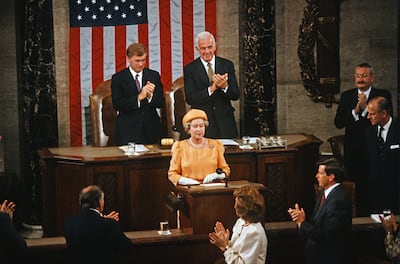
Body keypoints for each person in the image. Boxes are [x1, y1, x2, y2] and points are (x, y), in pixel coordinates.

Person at [334, 62, 392, 216]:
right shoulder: (347, 96)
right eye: (357, 76)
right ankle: (360, 223)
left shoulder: (383, 95)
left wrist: (366, 108)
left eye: (364, 76)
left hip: (376, 149)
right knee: (358, 191)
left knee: (377, 187)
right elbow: (338, 123)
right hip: (354, 152)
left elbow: (386, 119)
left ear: (372, 78)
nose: (360, 79)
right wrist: (355, 110)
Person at [288, 158, 352, 264]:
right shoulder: (325, 193)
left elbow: (326, 235)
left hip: (328, 259)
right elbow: (318, 226)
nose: (316, 176)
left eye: (320, 173)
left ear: (331, 177)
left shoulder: (338, 201)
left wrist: (302, 223)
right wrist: (301, 220)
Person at [184, 31, 240, 139]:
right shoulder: (190, 69)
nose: (207, 51)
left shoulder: (227, 65)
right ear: (197, 49)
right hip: (203, 125)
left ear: (215, 46)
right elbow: (190, 98)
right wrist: (212, 88)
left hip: (226, 123)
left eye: (209, 47)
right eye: (203, 48)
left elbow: (236, 94)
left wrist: (224, 86)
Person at [111, 42, 165, 146]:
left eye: (143, 60)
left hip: (152, 130)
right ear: (128, 58)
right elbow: (117, 104)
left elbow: (160, 102)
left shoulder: (153, 75)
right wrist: (139, 97)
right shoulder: (118, 78)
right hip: (128, 131)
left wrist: (150, 96)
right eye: (137, 61)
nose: (141, 64)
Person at [64, 185, 133, 264]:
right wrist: (107, 222)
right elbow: (127, 247)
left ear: (80, 203)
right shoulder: (109, 224)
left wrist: (104, 220)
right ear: (101, 202)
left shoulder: (69, 223)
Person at [168, 109, 230, 185]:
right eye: (195, 126)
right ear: (188, 129)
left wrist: (217, 175)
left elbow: (226, 169)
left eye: (201, 126)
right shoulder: (180, 147)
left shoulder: (215, 145)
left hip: (212, 189)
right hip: (189, 190)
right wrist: (186, 181)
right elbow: (172, 174)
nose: (199, 129)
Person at [209, 184, 268, 264]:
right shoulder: (241, 222)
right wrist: (225, 241)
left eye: (236, 203)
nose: (234, 206)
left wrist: (225, 247)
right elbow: (236, 249)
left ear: (244, 207)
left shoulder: (254, 232)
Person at [365, 96, 399, 214]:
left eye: (372, 114)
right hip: (376, 194)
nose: (368, 117)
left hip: (396, 192)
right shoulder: (369, 133)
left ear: (384, 113)